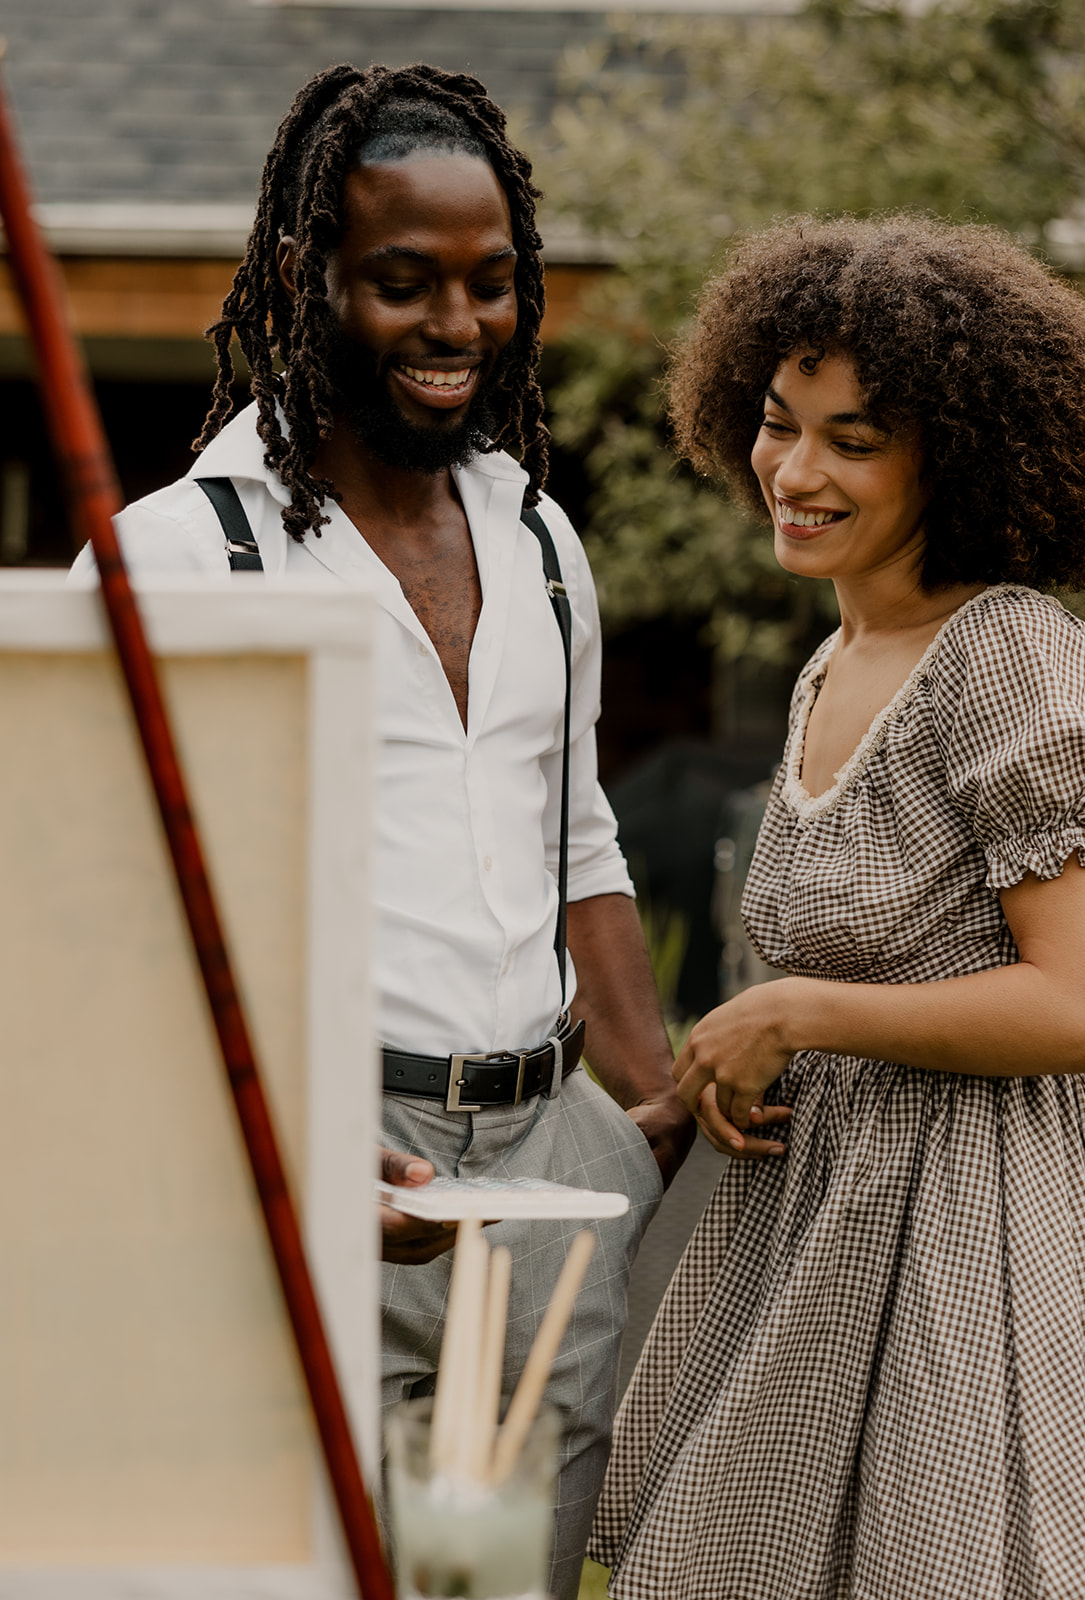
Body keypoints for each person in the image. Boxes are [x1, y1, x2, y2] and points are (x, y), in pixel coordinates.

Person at [72, 62, 692, 1600]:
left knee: (504, 1581)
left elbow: (582, 837)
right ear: (309, 277)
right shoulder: (180, 558)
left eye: (491, 284)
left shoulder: (541, 540)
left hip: (551, 1178)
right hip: (314, 1168)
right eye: (405, 284)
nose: (458, 327)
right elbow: (85, 918)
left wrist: (646, 1112)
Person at [591, 216, 1085, 1599]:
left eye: (855, 441)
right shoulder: (837, 657)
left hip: (981, 1230)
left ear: (962, 455)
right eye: (776, 423)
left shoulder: (1013, 659)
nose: (795, 472)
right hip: (824, 1215)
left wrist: (801, 1007)